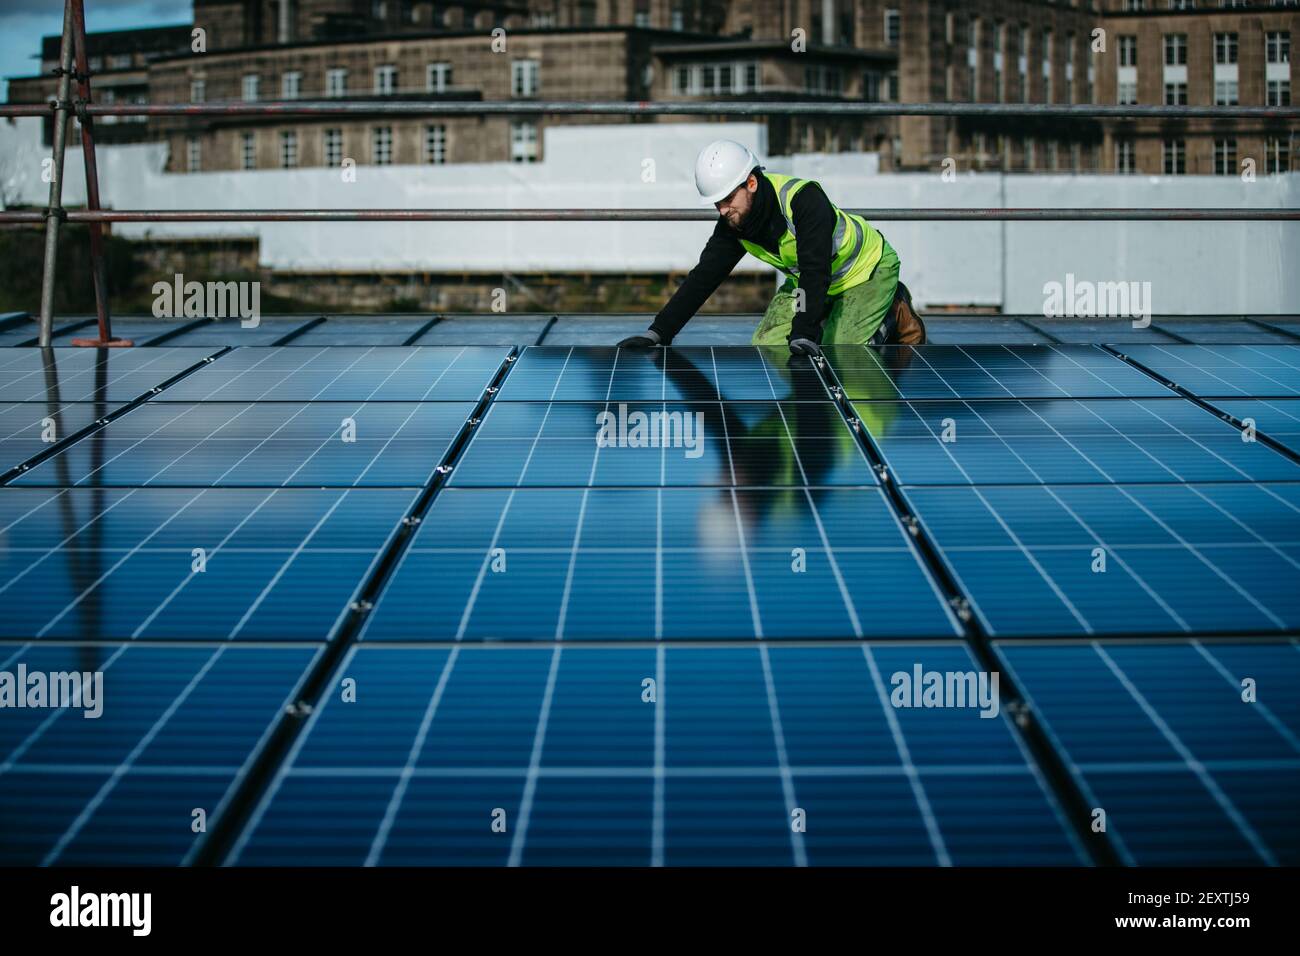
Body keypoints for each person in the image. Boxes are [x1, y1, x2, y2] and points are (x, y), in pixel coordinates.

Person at [618, 139, 926, 356]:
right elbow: (703, 278)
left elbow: (814, 269)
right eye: (716, 203)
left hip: (866, 270)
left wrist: (804, 332)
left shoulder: (803, 201)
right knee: (768, 346)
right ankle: (827, 313)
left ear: (751, 183)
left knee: (842, 348)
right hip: (816, 283)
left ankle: (894, 309)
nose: (722, 210)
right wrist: (659, 333)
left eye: (727, 199)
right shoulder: (736, 223)